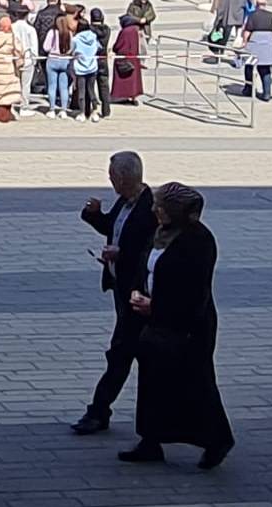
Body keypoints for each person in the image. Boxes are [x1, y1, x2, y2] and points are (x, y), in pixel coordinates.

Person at [117, 182, 233, 469]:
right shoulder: (159, 233)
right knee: (152, 381)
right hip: (154, 322)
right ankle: (150, 440)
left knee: (195, 384)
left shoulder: (198, 241)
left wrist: (156, 306)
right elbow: (145, 266)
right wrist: (137, 290)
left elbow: (194, 291)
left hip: (188, 326)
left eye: (161, 207)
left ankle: (216, 440)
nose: (155, 210)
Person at [73, 152, 158, 435]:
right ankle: (102, 411)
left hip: (138, 294)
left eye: (112, 176)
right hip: (121, 289)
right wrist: (94, 215)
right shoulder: (125, 201)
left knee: (121, 352)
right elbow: (113, 228)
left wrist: (122, 254)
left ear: (123, 178)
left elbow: (151, 249)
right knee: (123, 352)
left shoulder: (151, 209)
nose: (110, 181)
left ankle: (99, 411)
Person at [241, 0, 272, 102]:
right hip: (268, 44)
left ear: (256, 4)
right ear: (265, 4)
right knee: (265, 70)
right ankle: (266, 93)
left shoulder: (252, 16)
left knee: (249, 66)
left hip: (255, 44)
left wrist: (244, 43)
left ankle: (249, 88)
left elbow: (247, 32)